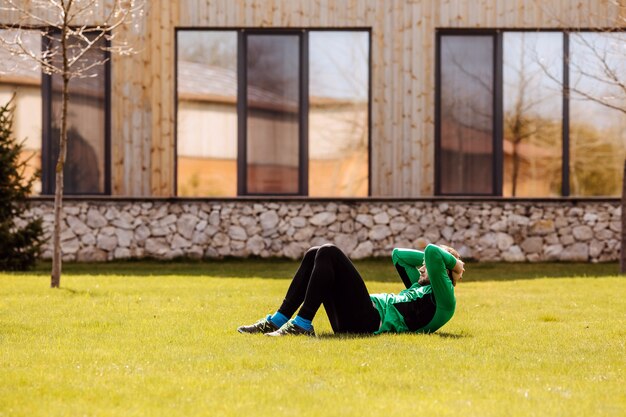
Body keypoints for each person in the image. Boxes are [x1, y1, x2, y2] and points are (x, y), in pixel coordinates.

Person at [237, 243, 465, 337]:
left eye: (428, 266)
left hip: (368, 321)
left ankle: (301, 325)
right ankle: (278, 320)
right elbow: (398, 255)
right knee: (314, 253)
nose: (422, 266)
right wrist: (442, 262)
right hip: (355, 318)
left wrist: (455, 264)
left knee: (329, 251)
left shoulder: (444, 299)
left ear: (442, 271)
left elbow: (432, 252)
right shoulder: (419, 285)